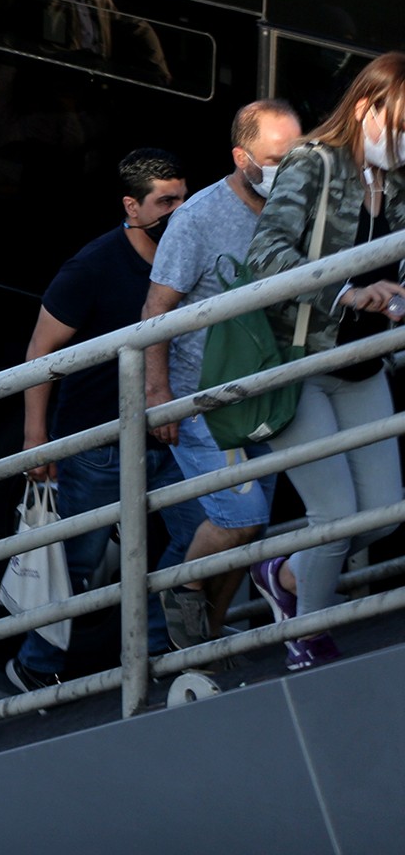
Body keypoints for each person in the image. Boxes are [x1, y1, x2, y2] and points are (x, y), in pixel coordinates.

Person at [7, 149, 202, 692]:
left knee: (203, 529)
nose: (179, 212)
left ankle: (159, 646)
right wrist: (36, 441)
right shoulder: (91, 267)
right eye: (166, 201)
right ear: (131, 207)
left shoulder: (188, 255)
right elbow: (39, 356)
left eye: (184, 197)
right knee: (77, 561)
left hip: (169, 433)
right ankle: (35, 665)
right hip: (96, 443)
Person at [246, 53, 405, 670]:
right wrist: (343, 291)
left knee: (384, 513)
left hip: (362, 363)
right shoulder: (313, 163)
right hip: (302, 364)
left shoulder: (396, 183)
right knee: (335, 517)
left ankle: (281, 572)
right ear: (366, 108)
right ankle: (305, 635)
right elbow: (265, 257)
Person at [142, 101, 303, 652]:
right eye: (278, 157)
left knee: (253, 529)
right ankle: (184, 601)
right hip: (201, 402)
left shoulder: (296, 206)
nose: (292, 166)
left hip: (267, 398)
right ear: (241, 157)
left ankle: (205, 637)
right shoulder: (198, 219)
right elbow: (155, 312)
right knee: (241, 515)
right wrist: (158, 394)